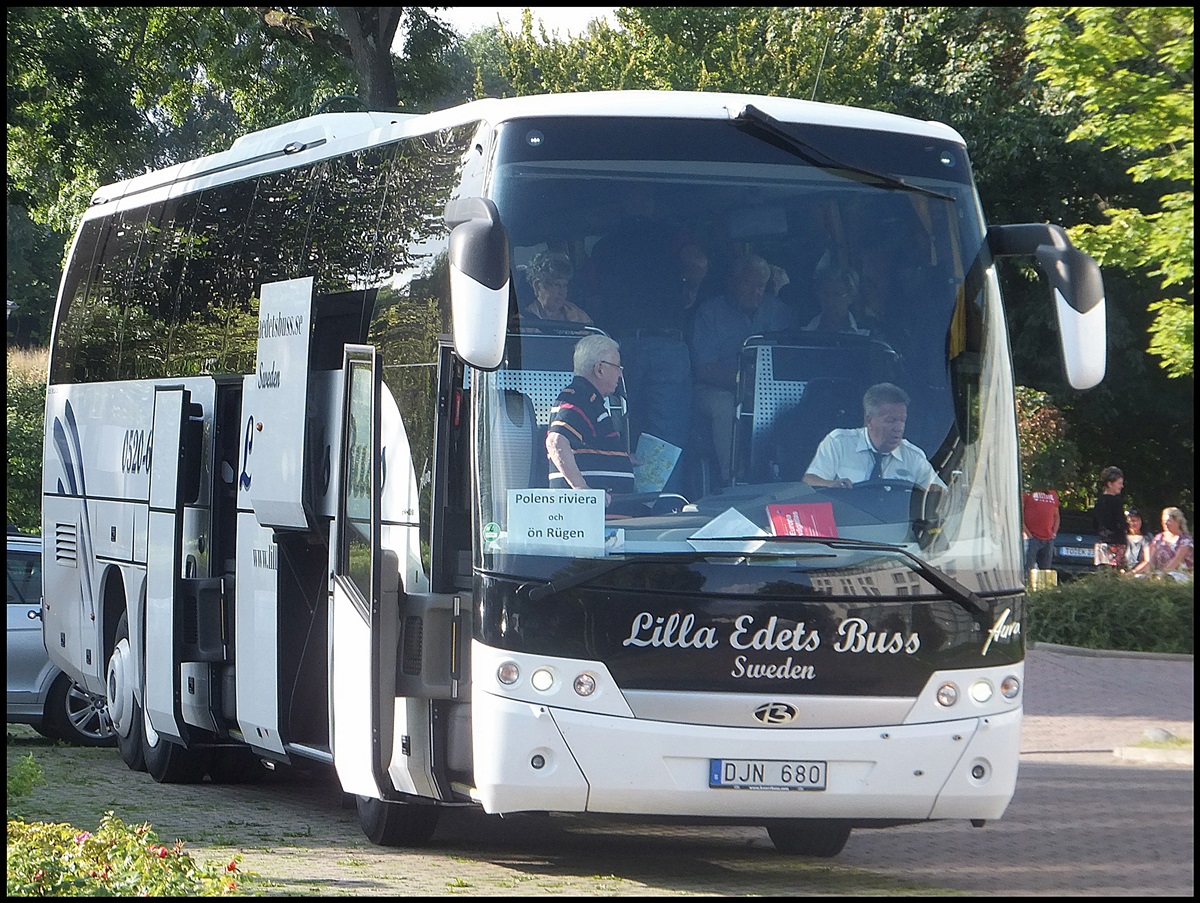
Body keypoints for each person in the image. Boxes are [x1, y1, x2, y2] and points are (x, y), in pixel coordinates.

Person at [691, 253, 796, 484]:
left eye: (761, 286)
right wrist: (746, 382)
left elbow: (790, 358)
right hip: (717, 389)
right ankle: (732, 481)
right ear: (732, 283)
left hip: (768, 389)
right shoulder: (710, 313)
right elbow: (704, 368)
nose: (756, 292)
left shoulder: (778, 311)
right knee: (725, 406)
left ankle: (791, 476)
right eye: (749, 284)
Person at [802, 382, 946, 490]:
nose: (899, 428)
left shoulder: (913, 457)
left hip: (901, 527)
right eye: (891, 420)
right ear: (869, 420)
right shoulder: (839, 443)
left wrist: (932, 492)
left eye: (902, 420)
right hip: (846, 525)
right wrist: (832, 485)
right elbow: (809, 481)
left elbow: (940, 492)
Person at [545, 334, 634, 503]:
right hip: (591, 520)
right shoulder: (578, 396)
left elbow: (584, 447)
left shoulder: (588, 398)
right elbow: (556, 441)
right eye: (617, 367)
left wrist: (623, 459)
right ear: (599, 369)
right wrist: (583, 491)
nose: (620, 375)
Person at [522, 250, 592, 324]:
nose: (562, 292)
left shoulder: (577, 316)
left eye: (565, 285)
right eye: (557, 285)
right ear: (537, 285)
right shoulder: (522, 323)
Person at [803, 267, 870, 335]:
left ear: (850, 297)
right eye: (825, 294)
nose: (830, 300)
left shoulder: (866, 332)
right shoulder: (804, 330)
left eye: (837, 295)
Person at [1132, 507, 1194, 581]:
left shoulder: (1185, 540)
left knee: (1169, 578)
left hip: (1179, 573)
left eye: (1168, 521)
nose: (1165, 523)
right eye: (1163, 521)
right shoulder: (1159, 538)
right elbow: (1150, 561)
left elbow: (1176, 560)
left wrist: (1162, 574)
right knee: (1138, 578)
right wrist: (1132, 573)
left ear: (1178, 521)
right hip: (1158, 573)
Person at [1091, 466, 1126, 567]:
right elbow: (1120, 522)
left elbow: (1094, 523)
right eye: (1119, 483)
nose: (1122, 486)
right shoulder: (1116, 501)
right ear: (1110, 484)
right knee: (1116, 574)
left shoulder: (1098, 502)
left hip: (1101, 543)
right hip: (1115, 543)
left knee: (1102, 574)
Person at [1022, 487, 1061, 574]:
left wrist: (1053, 533)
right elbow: (1020, 514)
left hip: (1048, 538)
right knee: (1028, 568)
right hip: (1032, 538)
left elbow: (1056, 515)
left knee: (1045, 571)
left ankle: (1043, 587)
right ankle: (1027, 586)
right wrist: (1028, 534)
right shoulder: (1028, 493)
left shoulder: (1053, 494)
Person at [1123, 506, 1152, 573]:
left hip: (1141, 573)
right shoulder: (1122, 538)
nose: (1136, 523)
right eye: (1132, 521)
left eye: (1138, 520)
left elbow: (1147, 561)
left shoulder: (1147, 537)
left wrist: (1133, 572)